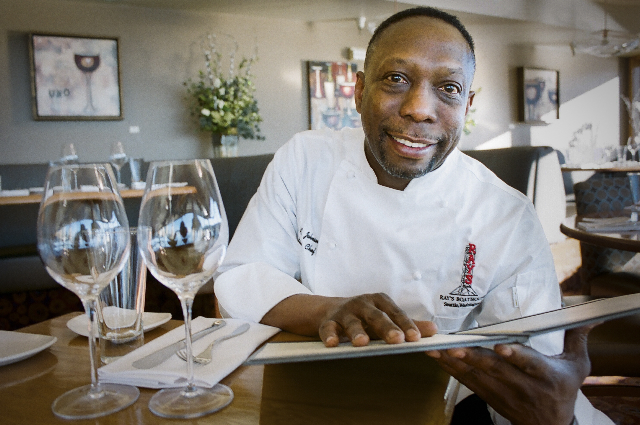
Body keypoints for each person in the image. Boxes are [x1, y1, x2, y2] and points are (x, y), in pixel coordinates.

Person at [214, 7, 612, 425]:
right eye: (396, 79)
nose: (420, 109)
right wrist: (326, 310)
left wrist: (556, 417)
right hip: (313, 391)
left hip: (446, 405)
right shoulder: (306, 160)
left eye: (449, 88)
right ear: (359, 90)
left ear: (467, 105)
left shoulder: (506, 215)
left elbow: (531, 373)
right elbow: (244, 276)